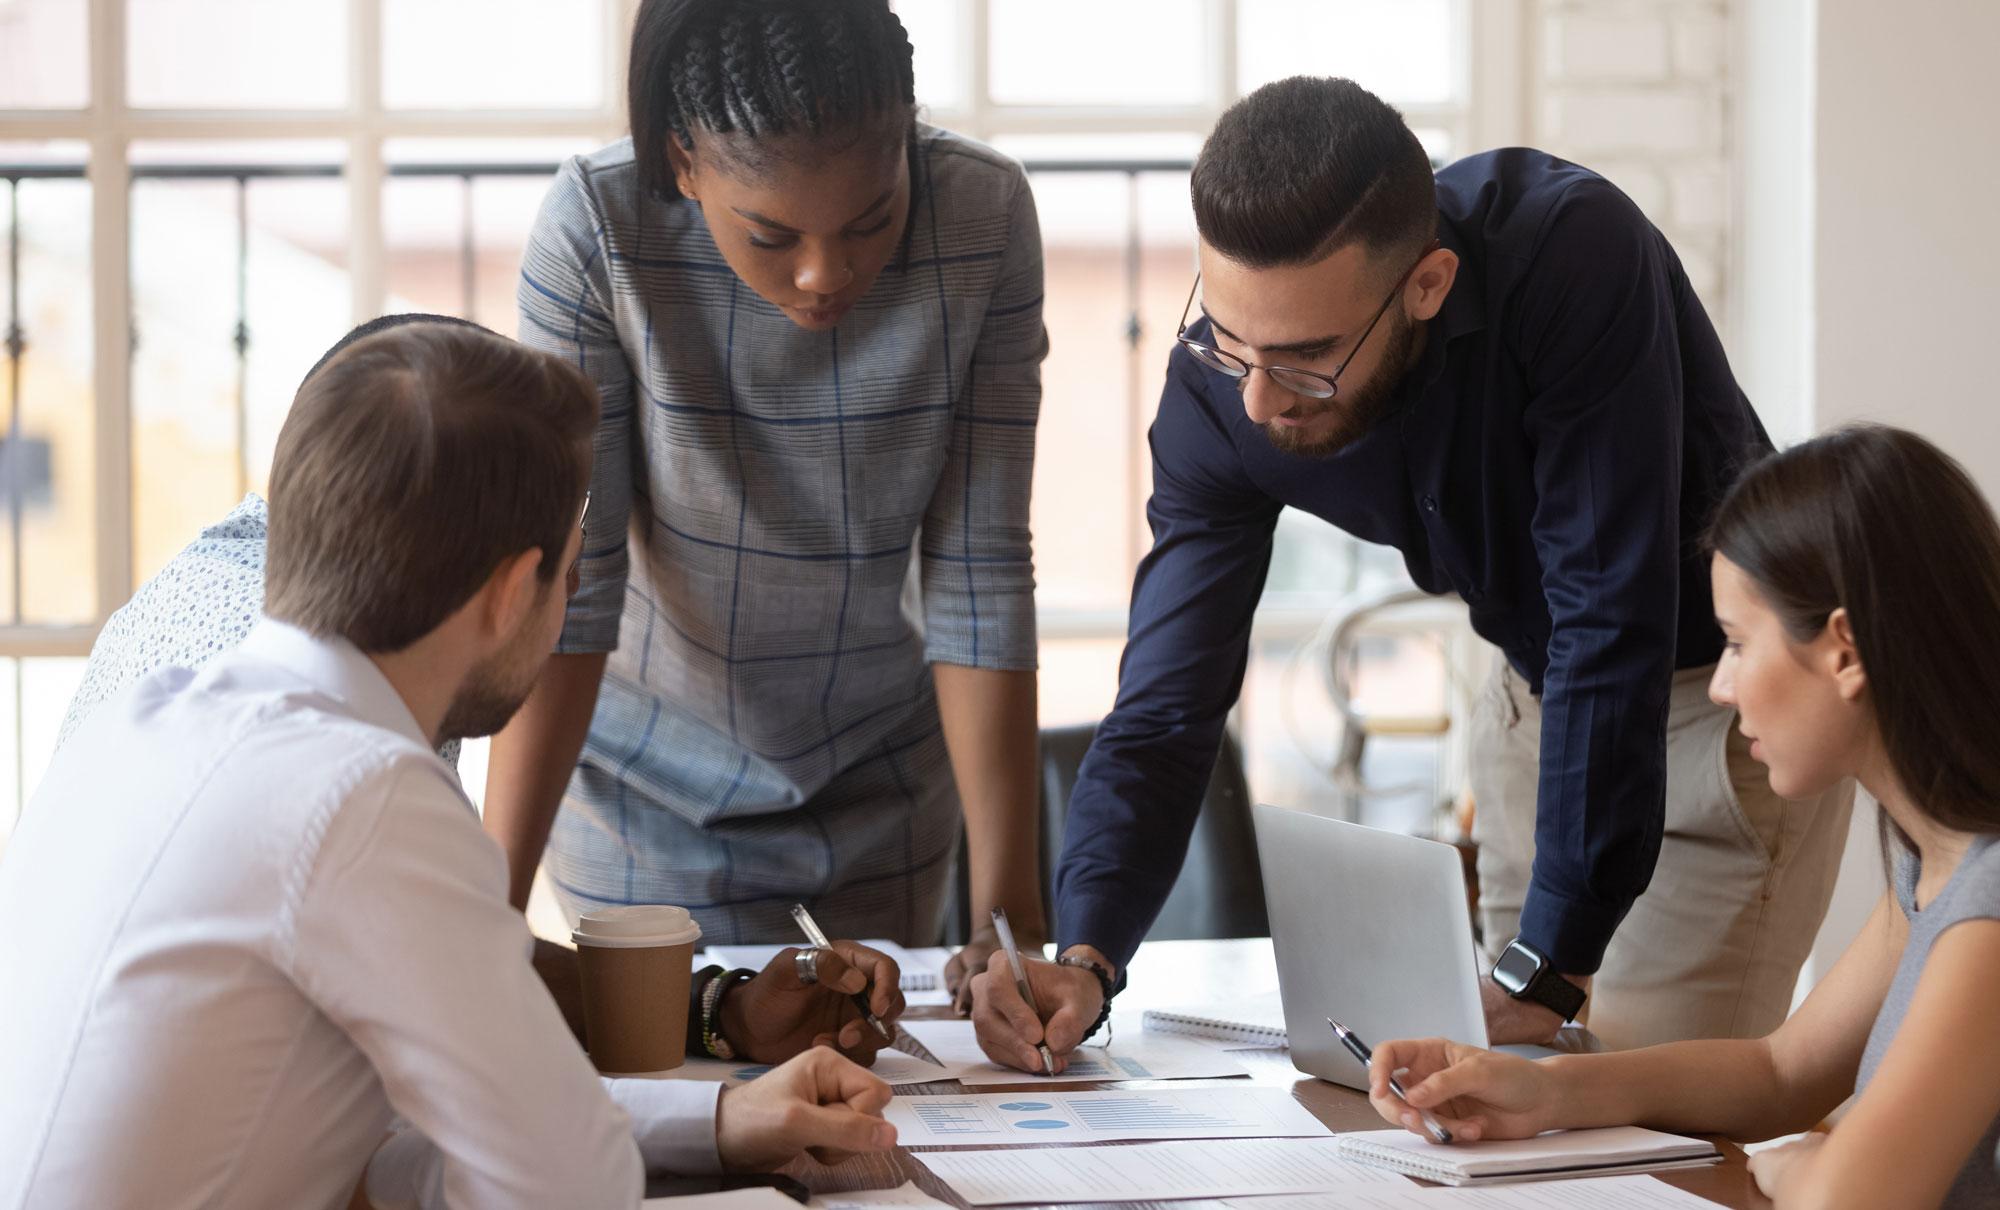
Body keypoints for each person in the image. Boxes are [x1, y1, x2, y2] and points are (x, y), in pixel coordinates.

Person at [970, 75, 1853, 1071]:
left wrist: (1548, 965)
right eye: (1230, 338)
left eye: (1306, 357)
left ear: (1425, 285)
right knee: (1503, 1123)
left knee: (1647, 1129)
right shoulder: (1218, 390)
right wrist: (1086, 953)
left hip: (1724, 719)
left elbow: (1608, 615)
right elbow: (1165, 703)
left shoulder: (1570, 254)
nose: (1257, 401)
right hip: (1533, 708)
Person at [0, 321, 898, 1210]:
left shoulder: (150, 721)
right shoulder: (360, 789)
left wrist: (713, 1121)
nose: (570, 612)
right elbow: (564, 1182)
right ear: (512, 592)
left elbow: (396, 1139)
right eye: (571, 578)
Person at [496, 0, 1049, 992]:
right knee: (685, 1095)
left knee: (879, 1108)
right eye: (769, 233)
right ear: (681, 161)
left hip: (884, 786)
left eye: (872, 220)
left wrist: (1008, 934)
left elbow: (980, 575)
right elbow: (574, 588)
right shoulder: (596, 230)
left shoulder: (983, 217)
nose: (823, 275)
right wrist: (484, 914)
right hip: (645, 798)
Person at [1363, 425, 2000, 1210]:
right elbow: (1783, 1073)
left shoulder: (1988, 905)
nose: (1723, 687)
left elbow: (1849, 1199)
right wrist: (1544, 1091)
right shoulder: (1929, 856)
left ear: (1845, 651)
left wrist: (1798, 1167)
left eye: (1736, 644)